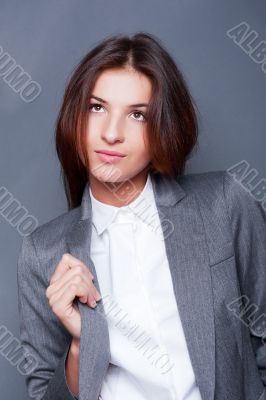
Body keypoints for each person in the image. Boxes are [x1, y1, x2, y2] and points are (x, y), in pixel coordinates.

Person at [17, 32, 266, 400]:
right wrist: (78, 346)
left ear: (164, 126)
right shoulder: (43, 252)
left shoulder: (226, 203)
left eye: (137, 114)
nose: (112, 133)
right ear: (75, 116)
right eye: (96, 108)